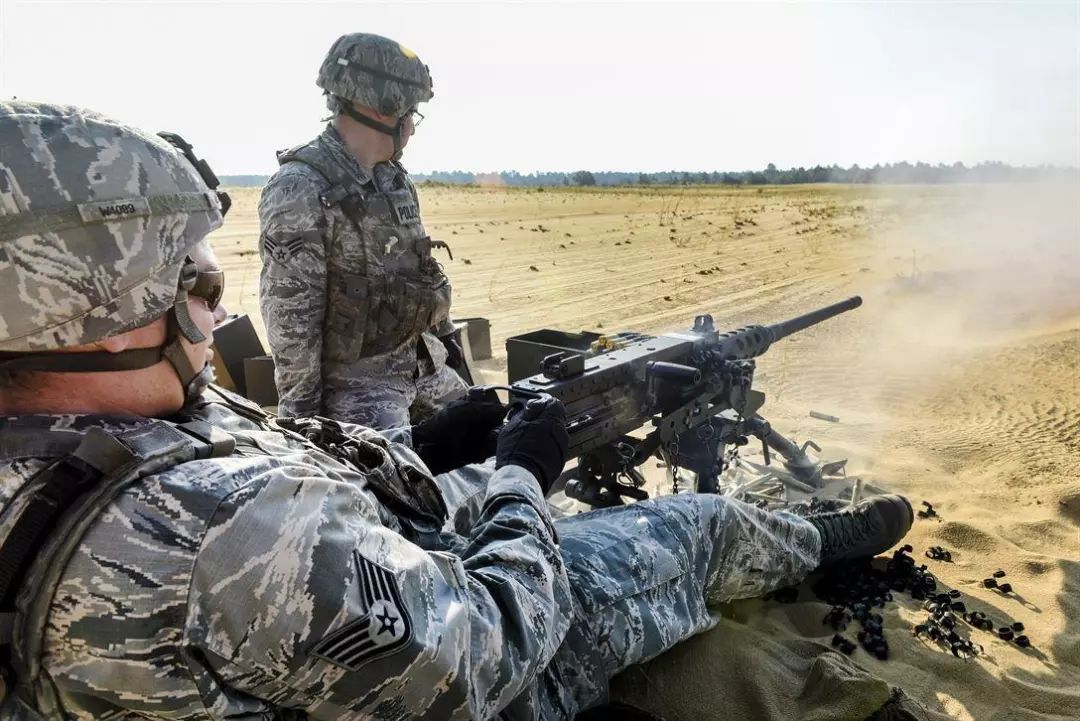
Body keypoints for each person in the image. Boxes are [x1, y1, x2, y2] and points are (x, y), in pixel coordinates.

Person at [0, 102, 914, 721]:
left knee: (486, 481)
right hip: (482, 664)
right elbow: (488, 643)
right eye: (195, 281)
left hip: (342, 597)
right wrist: (523, 473)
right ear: (89, 314)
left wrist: (425, 451)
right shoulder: (218, 532)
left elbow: (260, 454)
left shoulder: (83, 431)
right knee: (697, 525)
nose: (216, 305)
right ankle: (828, 540)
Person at [259, 32, 466, 429]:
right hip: (358, 390)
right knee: (408, 487)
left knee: (494, 435)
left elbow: (422, 271)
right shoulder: (300, 188)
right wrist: (303, 425)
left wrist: (452, 349)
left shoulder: (393, 179)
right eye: (411, 114)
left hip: (423, 369)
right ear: (386, 108)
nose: (413, 128)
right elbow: (291, 319)